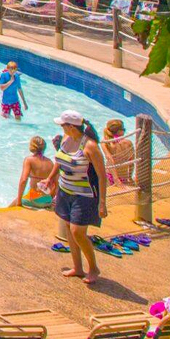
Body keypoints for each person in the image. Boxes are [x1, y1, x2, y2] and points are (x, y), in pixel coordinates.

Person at [52, 109, 109, 286]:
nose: (61, 127)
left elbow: (101, 175)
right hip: (65, 190)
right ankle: (77, 267)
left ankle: (93, 268)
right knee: (69, 229)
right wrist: (50, 178)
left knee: (78, 231)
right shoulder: (65, 139)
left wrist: (102, 203)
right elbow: (60, 160)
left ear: (70, 126)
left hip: (84, 195)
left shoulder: (90, 146)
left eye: (63, 125)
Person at [13, 135, 56, 208]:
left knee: (15, 202)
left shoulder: (29, 160)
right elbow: (56, 183)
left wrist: (19, 202)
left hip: (32, 199)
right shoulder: (50, 162)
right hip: (47, 200)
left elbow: (23, 180)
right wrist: (50, 198)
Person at [102, 119, 134, 185]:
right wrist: (130, 177)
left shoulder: (105, 142)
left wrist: (115, 178)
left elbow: (110, 160)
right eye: (124, 129)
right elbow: (132, 162)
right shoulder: (128, 143)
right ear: (120, 131)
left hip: (109, 176)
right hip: (123, 177)